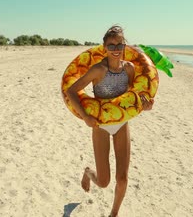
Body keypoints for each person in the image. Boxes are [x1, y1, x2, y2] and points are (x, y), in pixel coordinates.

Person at [66, 25, 154, 217]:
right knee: (104, 182)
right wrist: (85, 116)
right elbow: (71, 90)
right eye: (111, 45)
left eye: (119, 45)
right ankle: (89, 172)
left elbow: (133, 97)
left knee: (122, 179)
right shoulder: (98, 70)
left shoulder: (129, 69)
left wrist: (145, 105)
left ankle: (113, 214)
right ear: (104, 47)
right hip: (101, 127)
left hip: (122, 125)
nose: (115, 49)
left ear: (124, 46)